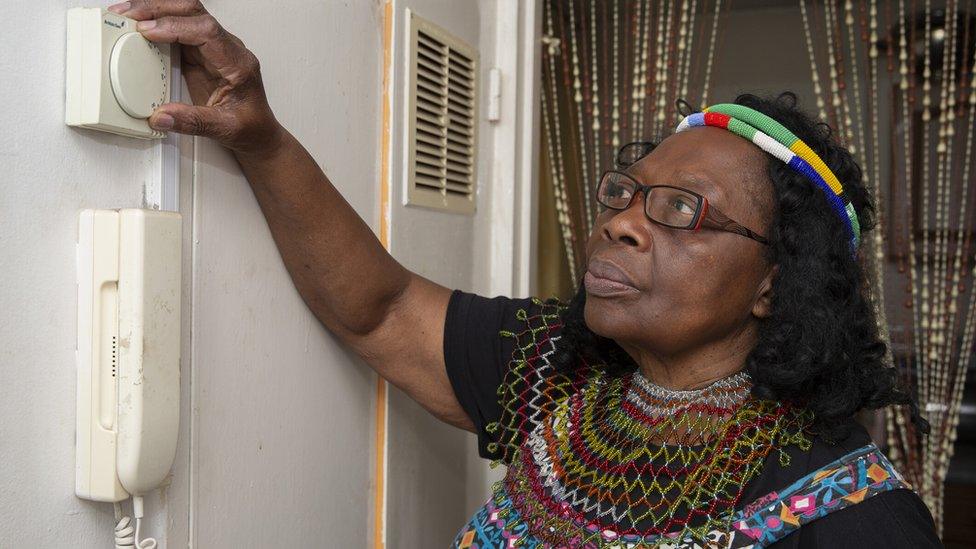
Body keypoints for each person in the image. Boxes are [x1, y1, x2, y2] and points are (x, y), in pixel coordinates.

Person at [110, 1, 943, 547]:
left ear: (775, 280)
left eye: (682, 209)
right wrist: (261, 136)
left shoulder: (858, 519)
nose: (620, 220)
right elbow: (382, 310)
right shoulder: (561, 366)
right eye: (627, 190)